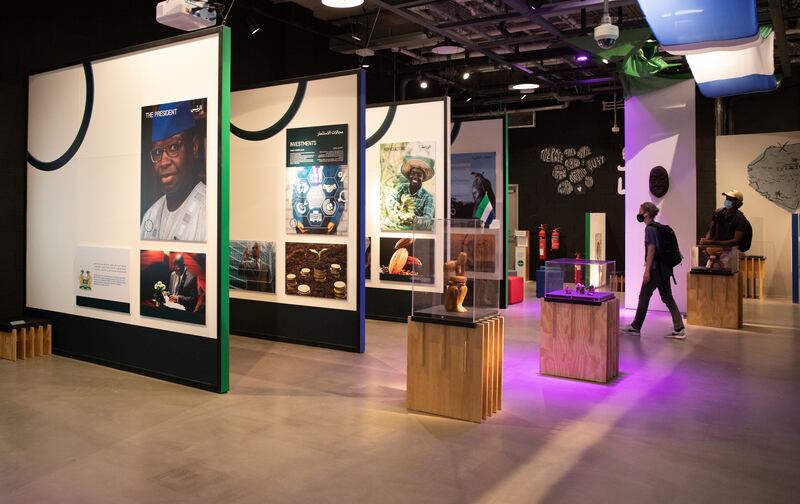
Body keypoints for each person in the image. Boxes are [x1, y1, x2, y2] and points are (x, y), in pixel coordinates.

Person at [141, 101, 206, 242]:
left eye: (173, 147)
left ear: (194, 146)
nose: (163, 162)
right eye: (157, 151)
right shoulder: (150, 216)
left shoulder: (210, 211)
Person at [626, 202, 686, 339]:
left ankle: (636, 326)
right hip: (665, 269)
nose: (639, 213)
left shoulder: (650, 229)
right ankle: (679, 328)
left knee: (644, 296)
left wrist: (647, 271)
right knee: (667, 297)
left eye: (640, 211)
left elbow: (651, 250)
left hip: (655, 270)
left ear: (646, 213)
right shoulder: (657, 228)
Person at [700, 189, 751, 268]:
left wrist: (711, 242)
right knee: (709, 271)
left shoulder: (740, 219)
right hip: (716, 250)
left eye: (730, 199)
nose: (727, 201)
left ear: (737, 203)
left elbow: (736, 241)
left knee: (726, 273)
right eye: (727, 198)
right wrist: (706, 243)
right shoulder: (717, 213)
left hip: (731, 251)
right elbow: (711, 230)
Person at [385, 156, 435, 228]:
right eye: (413, 173)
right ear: (409, 175)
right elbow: (389, 198)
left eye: (419, 174)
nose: (415, 177)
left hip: (415, 231)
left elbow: (428, 219)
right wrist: (396, 205)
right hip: (397, 227)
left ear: (423, 178)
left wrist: (414, 219)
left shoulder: (428, 197)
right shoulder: (402, 187)